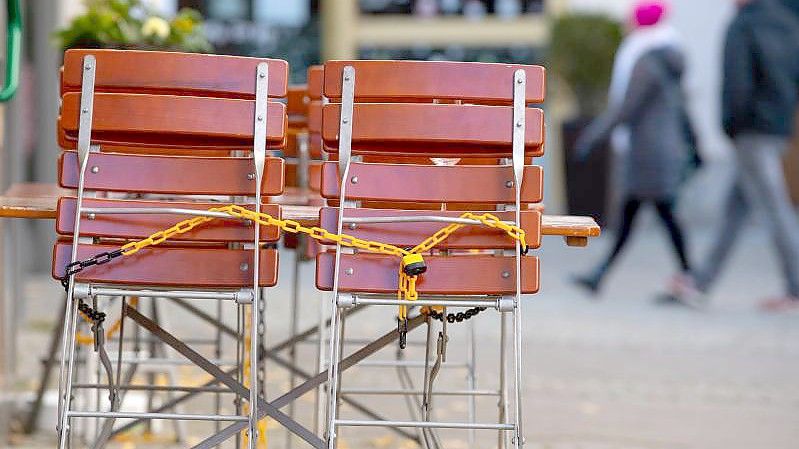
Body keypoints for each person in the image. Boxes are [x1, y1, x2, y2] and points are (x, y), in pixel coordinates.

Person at [675, 0, 799, 310]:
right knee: (737, 207)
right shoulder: (787, 22)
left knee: (775, 207)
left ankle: (796, 285)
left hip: (752, 130)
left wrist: (730, 126)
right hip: (778, 126)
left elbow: (737, 83)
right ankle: (702, 281)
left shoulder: (743, 25)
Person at [571, 0, 694, 295]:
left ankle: (690, 274)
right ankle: (600, 275)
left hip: (647, 152)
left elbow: (625, 108)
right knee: (642, 215)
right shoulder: (668, 56)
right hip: (660, 148)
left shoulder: (645, 60)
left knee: (660, 214)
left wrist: (592, 136)